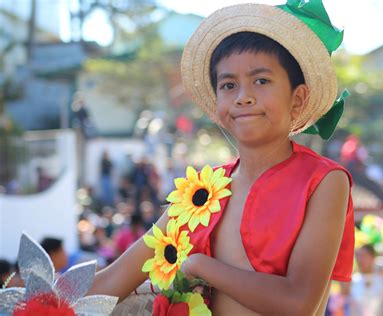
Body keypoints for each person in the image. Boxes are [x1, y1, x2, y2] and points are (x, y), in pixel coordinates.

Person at [88, 1, 354, 315]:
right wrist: (34, 299)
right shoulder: (199, 193)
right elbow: (113, 280)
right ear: (217, 106)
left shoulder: (324, 181)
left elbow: (299, 302)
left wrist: (200, 265)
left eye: (261, 81)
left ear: (298, 98)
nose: (244, 96)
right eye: (228, 85)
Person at [349, 244, 383, 315]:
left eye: (364, 256)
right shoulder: (352, 280)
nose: (361, 259)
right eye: (359, 256)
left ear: (372, 257)